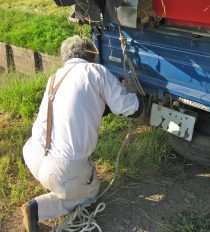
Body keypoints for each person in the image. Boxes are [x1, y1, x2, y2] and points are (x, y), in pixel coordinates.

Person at [21, 35, 144, 232]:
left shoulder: (55, 77)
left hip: (33, 154)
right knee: (90, 192)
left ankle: (60, 184)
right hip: (62, 167)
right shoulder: (95, 71)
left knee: (66, 176)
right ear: (90, 54)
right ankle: (37, 209)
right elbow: (129, 107)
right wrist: (139, 102)